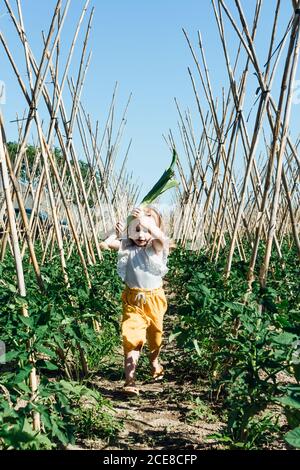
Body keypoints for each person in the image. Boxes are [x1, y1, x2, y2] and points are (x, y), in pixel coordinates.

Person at [101, 206, 169, 396]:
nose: (141, 235)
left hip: (154, 300)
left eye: (146, 230)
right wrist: (117, 232)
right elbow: (105, 244)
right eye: (136, 229)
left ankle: (155, 362)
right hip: (133, 300)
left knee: (155, 338)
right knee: (131, 338)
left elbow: (162, 239)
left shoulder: (155, 248)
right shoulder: (127, 247)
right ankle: (129, 381)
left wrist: (148, 224)